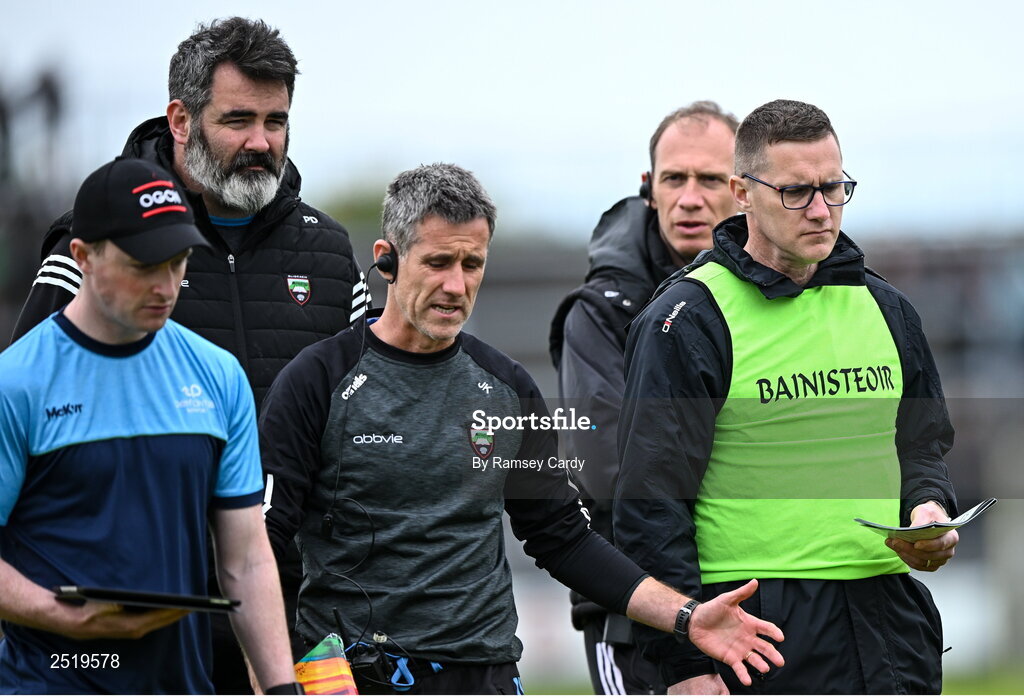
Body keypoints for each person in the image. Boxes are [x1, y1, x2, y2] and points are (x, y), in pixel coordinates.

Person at [259, 163, 784, 694]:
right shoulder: (317, 380)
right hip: (353, 675)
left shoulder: (507, 386)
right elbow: (265, 548)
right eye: (438, 262)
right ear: (387, 261)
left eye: (472, 263)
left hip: (486, 673)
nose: (455, 285)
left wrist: (686, 616)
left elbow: (564, 539)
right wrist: (287, 677)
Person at [8, 18, 368, 691]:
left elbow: (365, 432)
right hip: (127, 627)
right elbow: (33, 418)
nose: (262, 143)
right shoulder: (99, 242)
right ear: (181, 119)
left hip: (299, 617)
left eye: (276, 120)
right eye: (238, 120)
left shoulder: (327, 252)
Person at [614, 99, 959, 694]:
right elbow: (650, 507)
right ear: (742, 192)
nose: (823, 210)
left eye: (834, 188)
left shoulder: (888, 308)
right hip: (752, 632)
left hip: (886, 627)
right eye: (797, 191)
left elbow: (922, 447)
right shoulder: (686, 319)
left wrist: (927, 510)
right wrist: (685, 665)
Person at [0, 158, 298, 694]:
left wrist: (281, 688)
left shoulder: (215, 374)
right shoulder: (16, 383)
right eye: (144, 264)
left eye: (178, 261)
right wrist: (64, 615)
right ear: (83, 257)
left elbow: (247, 558)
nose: (167, 284)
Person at [549, 100, 738, 694]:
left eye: (710, 180)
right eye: (673, 179)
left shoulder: (772, 300)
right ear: (647, 189)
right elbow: (609, 469)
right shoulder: (599, 314)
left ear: (744, 190)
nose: (690, 197)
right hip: (635, 619)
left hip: (746, 598)